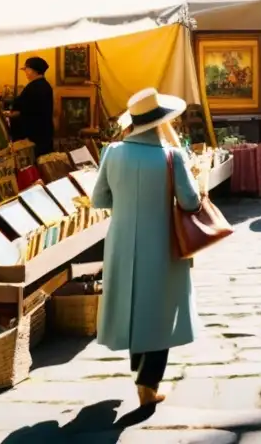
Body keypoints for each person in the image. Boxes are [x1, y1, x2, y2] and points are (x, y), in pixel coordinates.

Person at [92, 88, 202, 407]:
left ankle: (140, 373)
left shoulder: (112, 153)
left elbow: (99, 199)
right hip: (161, 239)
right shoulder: (170, 155)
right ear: (158, 123)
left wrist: (125, 201)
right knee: (160, 308)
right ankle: (148, 384)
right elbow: (190, 201)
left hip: (121, 239)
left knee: (132, 302)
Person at [4, 56, 54, 156]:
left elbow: (22, 110)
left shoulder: (33, 87)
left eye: (26, 69)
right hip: (44, 133)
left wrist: (6, 115)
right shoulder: (45, 85)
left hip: (33, 137)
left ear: (32, 70)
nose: (26, 72)